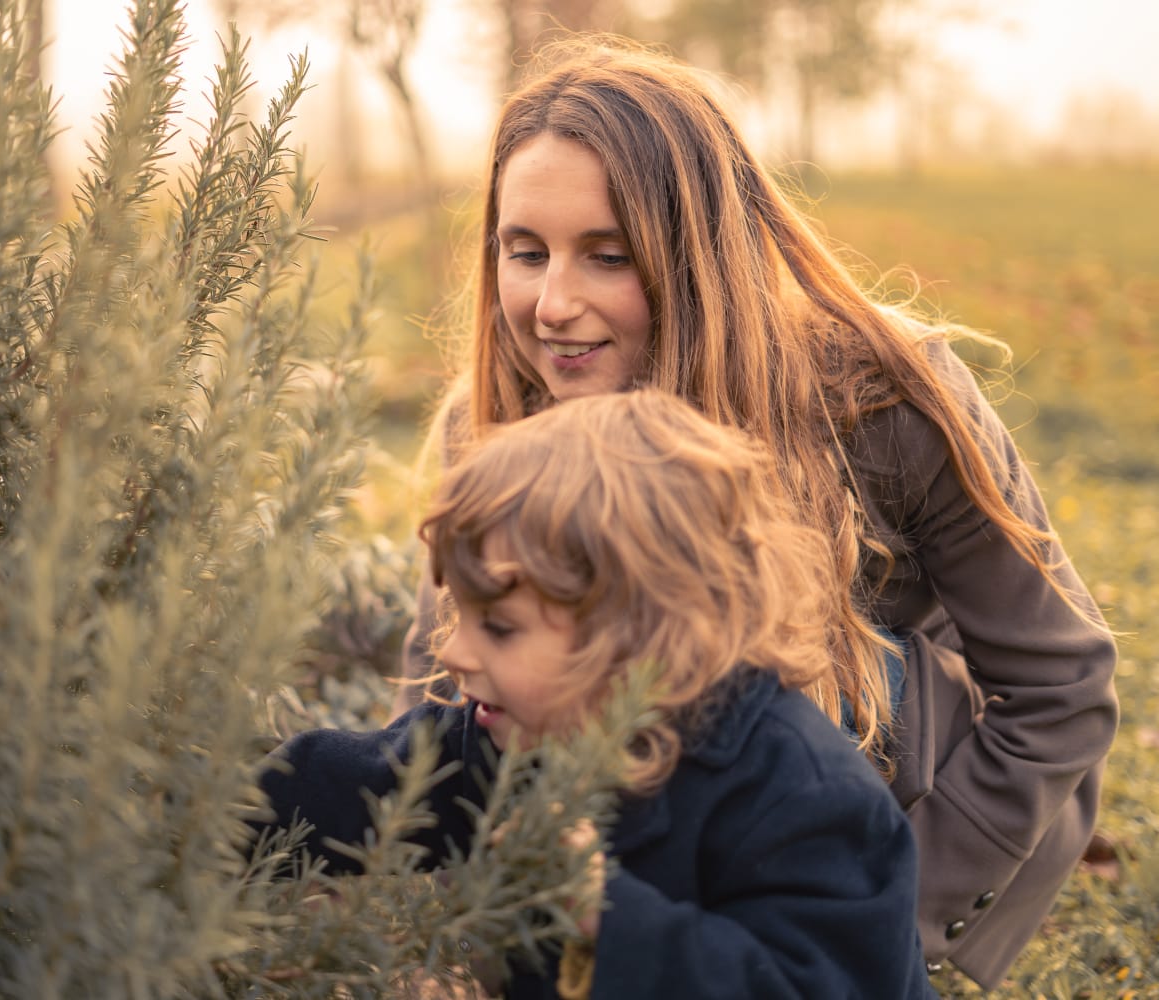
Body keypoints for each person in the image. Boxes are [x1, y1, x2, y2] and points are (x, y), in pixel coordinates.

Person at [391, 36, 1119, 989]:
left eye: (607, 257)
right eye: (525, 253)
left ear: (698, 256)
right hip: (615, 838)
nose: (552, 304)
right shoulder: (490, 423)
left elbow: (1059, 687)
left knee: (851, 674)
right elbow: (435, 697)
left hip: (868, 796)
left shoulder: (881, 397)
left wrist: (883, 924)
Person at [258, 389, 938, 999]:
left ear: (639, 635)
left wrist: (606, 912)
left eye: (498, 627)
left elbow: (812, 984)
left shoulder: (808, 799)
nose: (455, 652)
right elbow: (363, 784)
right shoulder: (521, 735)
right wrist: (208, 808)